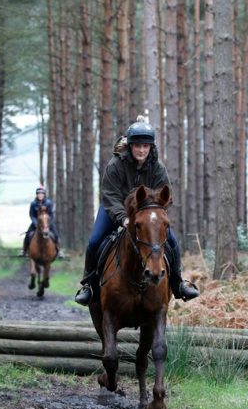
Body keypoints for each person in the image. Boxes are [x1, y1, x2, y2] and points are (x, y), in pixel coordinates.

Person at [74, 119, 199, 306]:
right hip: (115, 210)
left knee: (172, 242)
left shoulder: (158, 168)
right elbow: (110, 196)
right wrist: (123, 218)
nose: (141, 150)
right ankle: (89, 285)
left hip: (146, 215)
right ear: (130, 146)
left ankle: (178, 283)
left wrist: (153, 214)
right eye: (138, 146)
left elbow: (166, 197)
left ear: (150, 147)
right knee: (94, 242)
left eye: (145, 146)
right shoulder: (115, 165)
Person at [23, 185, 59, 255]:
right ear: (36, 195)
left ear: (44, 195)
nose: (40, 195)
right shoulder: (33, 204)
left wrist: (49, 223)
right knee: (28, 235)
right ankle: (24, 250)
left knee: (56, 234)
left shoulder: (48, 203)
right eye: (38, 194)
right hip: (37, 223)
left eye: (41, 194)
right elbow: (32, 215)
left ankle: (58, 250)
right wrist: (35, 223)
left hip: (47, 222)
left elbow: (51, 214)